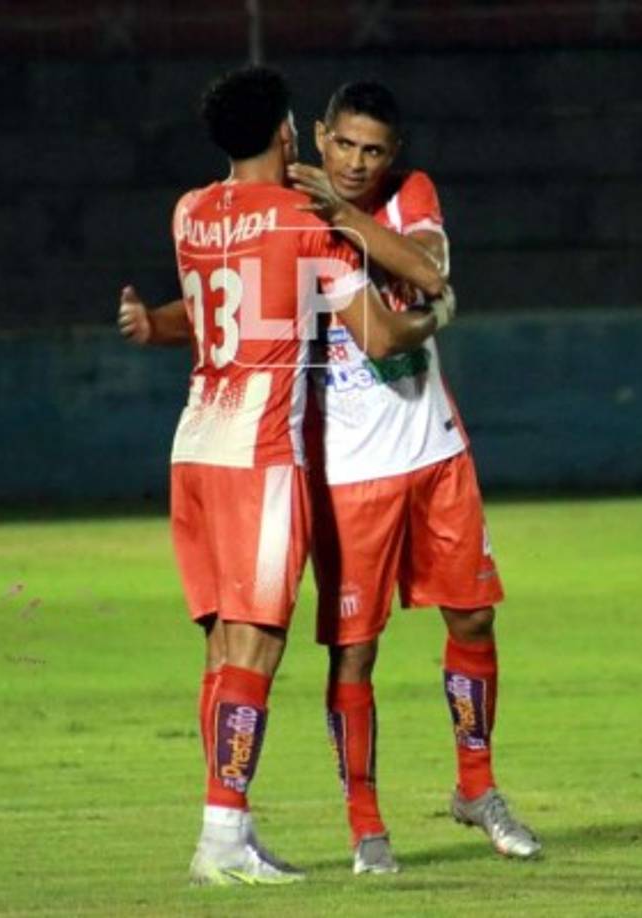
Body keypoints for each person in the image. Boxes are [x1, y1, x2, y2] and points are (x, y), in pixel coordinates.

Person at [118, 67, 451, 887]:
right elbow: (379, 336)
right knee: (257, 647)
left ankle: (226, 826)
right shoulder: (305, 218)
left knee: (223, 648)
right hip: (262, 451)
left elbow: (202, 315)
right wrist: (433, 308)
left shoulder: (189, 212)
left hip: (195, 443)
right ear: (285, 136)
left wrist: (149, 323)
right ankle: (221, 840)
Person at [286, 81, 541, 874]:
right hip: (346, 474)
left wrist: (344, 213)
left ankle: (477, 788)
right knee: (354, 653)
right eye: (344, 145)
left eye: (373, 151)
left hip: (433, 453)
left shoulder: (405, 195)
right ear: (319, 135)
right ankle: (366, 825)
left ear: (391, 155)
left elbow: (427, 271)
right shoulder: (283, 208)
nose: (356, 162)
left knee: (472, 620)